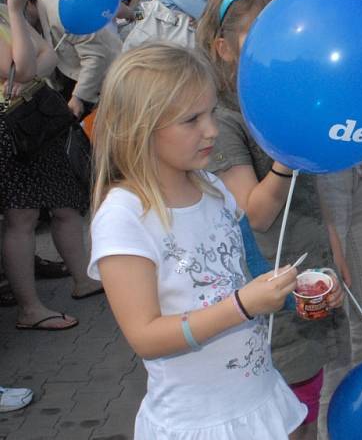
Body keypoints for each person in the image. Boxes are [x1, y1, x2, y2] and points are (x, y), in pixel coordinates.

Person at [89, 43, 307, 439]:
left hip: (256, 399)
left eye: (210, 113)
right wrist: (242, 307)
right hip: (197, 420)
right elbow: (145, 336)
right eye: (191, 120)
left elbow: (237, 274)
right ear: (141, 125)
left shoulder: (212, 189)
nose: (212, 130)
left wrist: (295, 291)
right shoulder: (124, 218)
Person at [197, 0, 345, 440]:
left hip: (304, 274)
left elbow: (313, 190)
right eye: (261, 36)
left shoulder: (286, 98)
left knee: (306, 402)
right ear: (224, 48)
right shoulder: (221, 120)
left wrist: (335, 251)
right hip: (265, 291)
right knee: (280, 411)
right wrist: (286, 153)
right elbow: (255, 213)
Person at [1, 0, 102, 331]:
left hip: (38, 116)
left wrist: (25, 67)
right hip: (12, 128)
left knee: (65, 201)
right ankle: (30, 308)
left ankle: (83, 278)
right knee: (23, 216)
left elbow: (47, 55)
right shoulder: (8, 11)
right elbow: (23, 68)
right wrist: (15, 12)